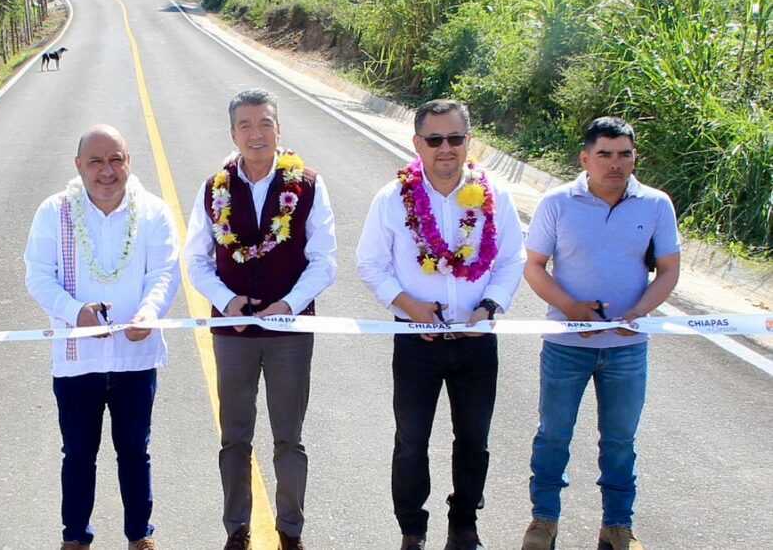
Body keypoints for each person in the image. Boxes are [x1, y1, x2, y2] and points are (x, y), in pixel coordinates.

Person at [356, 99, 525, 550]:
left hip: (477, 339)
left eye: (455, 138)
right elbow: (370, 264)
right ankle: (412, 530)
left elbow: (512, 259)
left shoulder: (495, 196)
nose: (445, 148)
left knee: (474, 439)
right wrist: (409, 305)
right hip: (417, 341)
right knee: (412, 441)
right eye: (435, 140)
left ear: (469, 141)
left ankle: (464, 525)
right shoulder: (392, 199)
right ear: (418, 144)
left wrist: (489, 307)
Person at [184, 88, 337, 550]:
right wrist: (226, 300)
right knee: (235, 437)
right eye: (245, 125)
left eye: (265, 123)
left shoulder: (308, 185)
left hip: (291, 332)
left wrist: (289, 305)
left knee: (289, 437)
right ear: (233, 134)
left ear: (278, 129)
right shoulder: (213, 188)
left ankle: (290, 530)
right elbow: (196, 260)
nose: (256, 134)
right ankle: (237, 531)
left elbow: (324, 261)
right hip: (231, 331)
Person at [520, 117, 680, 550]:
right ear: (585, 159)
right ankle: (543, 521)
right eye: (605, 154)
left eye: (624, 154)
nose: (615, 164)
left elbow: (669, 270)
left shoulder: (656, 204)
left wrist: (640, 311)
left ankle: (617, 525)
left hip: (628, 347)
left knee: (620, 440)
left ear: (634, 158)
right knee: (553, 435)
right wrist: (572, 309)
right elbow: (534, 266)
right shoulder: (557, 202)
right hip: (566, 344)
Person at [24, 124, 180, 550]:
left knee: (135, 451)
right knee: (77, 453)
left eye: (116, 160)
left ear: (129, 162)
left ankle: (140, 535)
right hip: (78, 359)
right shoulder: (54, 211)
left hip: (135, 357)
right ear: (79, 165)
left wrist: (150, 312)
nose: (107, 171)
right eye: (96, 161)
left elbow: (164, 273)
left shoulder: (153, 212)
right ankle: (75, 537)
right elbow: (38, 275)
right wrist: (75, 312)